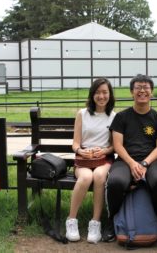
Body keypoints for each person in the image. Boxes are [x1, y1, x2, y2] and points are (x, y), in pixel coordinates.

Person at [103, 74, 157, 242]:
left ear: (152, 92)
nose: (142, 91)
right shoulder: (121, 117)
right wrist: (133, 164)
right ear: (132, 92)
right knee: (116, 182)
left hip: (153, 161)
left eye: (146, 88)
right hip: (126, 161)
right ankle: (112, 220)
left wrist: (145, 163)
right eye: (138, 88)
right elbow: (118, 145)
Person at [66, 77, 116, 244]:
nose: (101, 96)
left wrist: (104, 150)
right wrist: (82, 151)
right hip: (84, 159)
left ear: (110, 95)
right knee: (86, 177)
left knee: (100, 177)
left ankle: (95, 223)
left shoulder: (114, 116)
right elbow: (75, 143)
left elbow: (114, 146)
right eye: (97, 92)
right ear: (92, 94)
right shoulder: (82, 114)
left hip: (104, 159)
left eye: (105, 92)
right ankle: (71, 220)